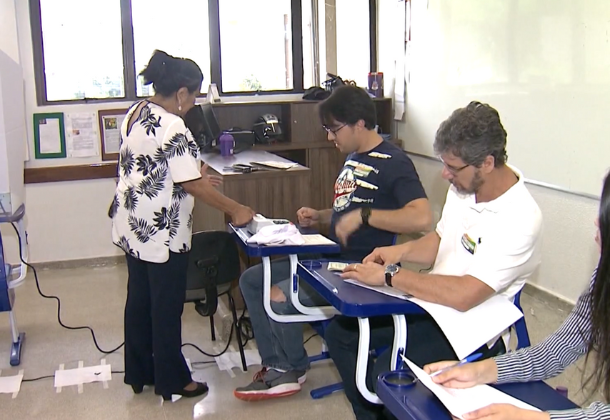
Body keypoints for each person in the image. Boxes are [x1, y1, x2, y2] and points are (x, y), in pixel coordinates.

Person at [325, 101, 543, 420]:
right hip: (429, 303)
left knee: (388, 376)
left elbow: (465, 295)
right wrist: (400, 252)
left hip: (468, 324)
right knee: (341, 335)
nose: (444, 174)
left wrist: (390, 275)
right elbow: (442, 240)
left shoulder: (521, 217)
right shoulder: (464, 187)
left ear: (486, 163)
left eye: (452, 168)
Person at [234, 85, 432, 401]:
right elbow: (350, 211)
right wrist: (322, 216)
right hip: (329, 251)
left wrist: (366, 216)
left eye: (334, 129)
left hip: (359, 265)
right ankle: (277, 363)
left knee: (277, 293)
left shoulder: (394, 161)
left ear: (359, 123)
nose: (330, 137)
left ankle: (290, 369)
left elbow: (421, 218)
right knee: (251, 279)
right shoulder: (354, 156)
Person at [110, 50, 255, 401]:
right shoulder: (174, 124)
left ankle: (140, 371)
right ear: (180, 93)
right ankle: (174, 379)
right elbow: (190, 184)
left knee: (140, 299)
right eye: (193, 96)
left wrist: (195, 175)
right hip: (162, 232)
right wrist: (236, 208)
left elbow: (152, 166)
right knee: (165, 304)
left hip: (132, 224)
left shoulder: (135, 111)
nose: (192, 105)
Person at [424, 173, 610, 420]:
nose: (597, 221)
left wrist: (537, 418)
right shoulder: (604, 275)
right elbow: (559, 349)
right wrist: (479, 371)